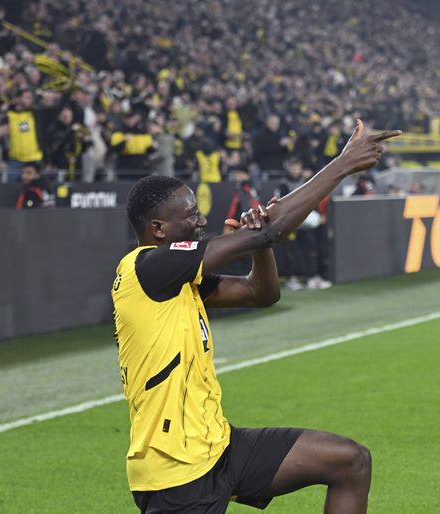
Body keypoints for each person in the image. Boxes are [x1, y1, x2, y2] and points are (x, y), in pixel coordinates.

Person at [112, 120, 399, 514]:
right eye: (191, 216)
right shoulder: (148, 269)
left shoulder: (178, 278)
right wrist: (344, 163)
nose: (200, 221)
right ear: (159, 229)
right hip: (175, 472)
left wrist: (260, 245)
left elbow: (260, 293)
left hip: (218, 445)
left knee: (350, 460)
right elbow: (273, 230)